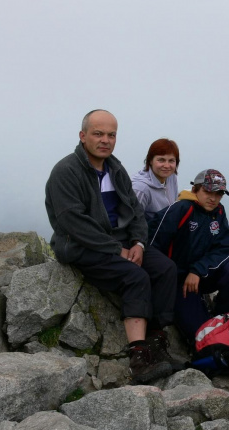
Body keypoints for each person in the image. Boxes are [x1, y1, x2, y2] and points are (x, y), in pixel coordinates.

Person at [45, 109, 178, 384]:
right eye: (98, 133)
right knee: (135, 276)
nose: (105, 140)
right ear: (83, 137)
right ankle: (139, 359)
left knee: (165, 268)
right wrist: (116, 250)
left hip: (120, 243)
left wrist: (138, 243)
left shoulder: (115, 169)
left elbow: (136, 212)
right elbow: (72, 222)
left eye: (111, 135)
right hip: (82, 246)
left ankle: (156, 343)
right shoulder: (66, 171)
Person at [149, 169, 229, 341]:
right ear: (195, 190)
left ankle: (226, 318)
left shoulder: (218, 212)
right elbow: (153, 243)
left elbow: (227, 248)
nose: (213, 198)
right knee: (199, 334)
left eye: (219, 193)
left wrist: (198, 270)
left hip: (200, 275)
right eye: (208, 191)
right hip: (177, 280)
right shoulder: (181, 209)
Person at [131, 138, 180, 220]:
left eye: (171, 161)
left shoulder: (171, 177)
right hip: (148, 231)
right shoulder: (140, 188)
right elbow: (132, 222)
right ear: (150, 161)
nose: (167, 166)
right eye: (161, 160)